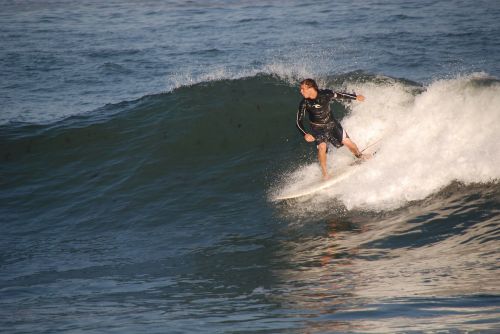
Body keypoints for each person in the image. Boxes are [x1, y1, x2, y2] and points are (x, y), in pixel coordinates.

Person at [296, 78, 368, 180]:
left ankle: (360, 156)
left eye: (303, 89)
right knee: (322, 147)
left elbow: (341, 95)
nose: (301, 91)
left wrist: (355, 97)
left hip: (332, 124)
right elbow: (298, 122)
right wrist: (305, 134)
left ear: (310, 88)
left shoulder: (326, 94)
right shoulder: (304, 103)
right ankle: (325, 174)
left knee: (349, 143)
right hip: (317, 128)